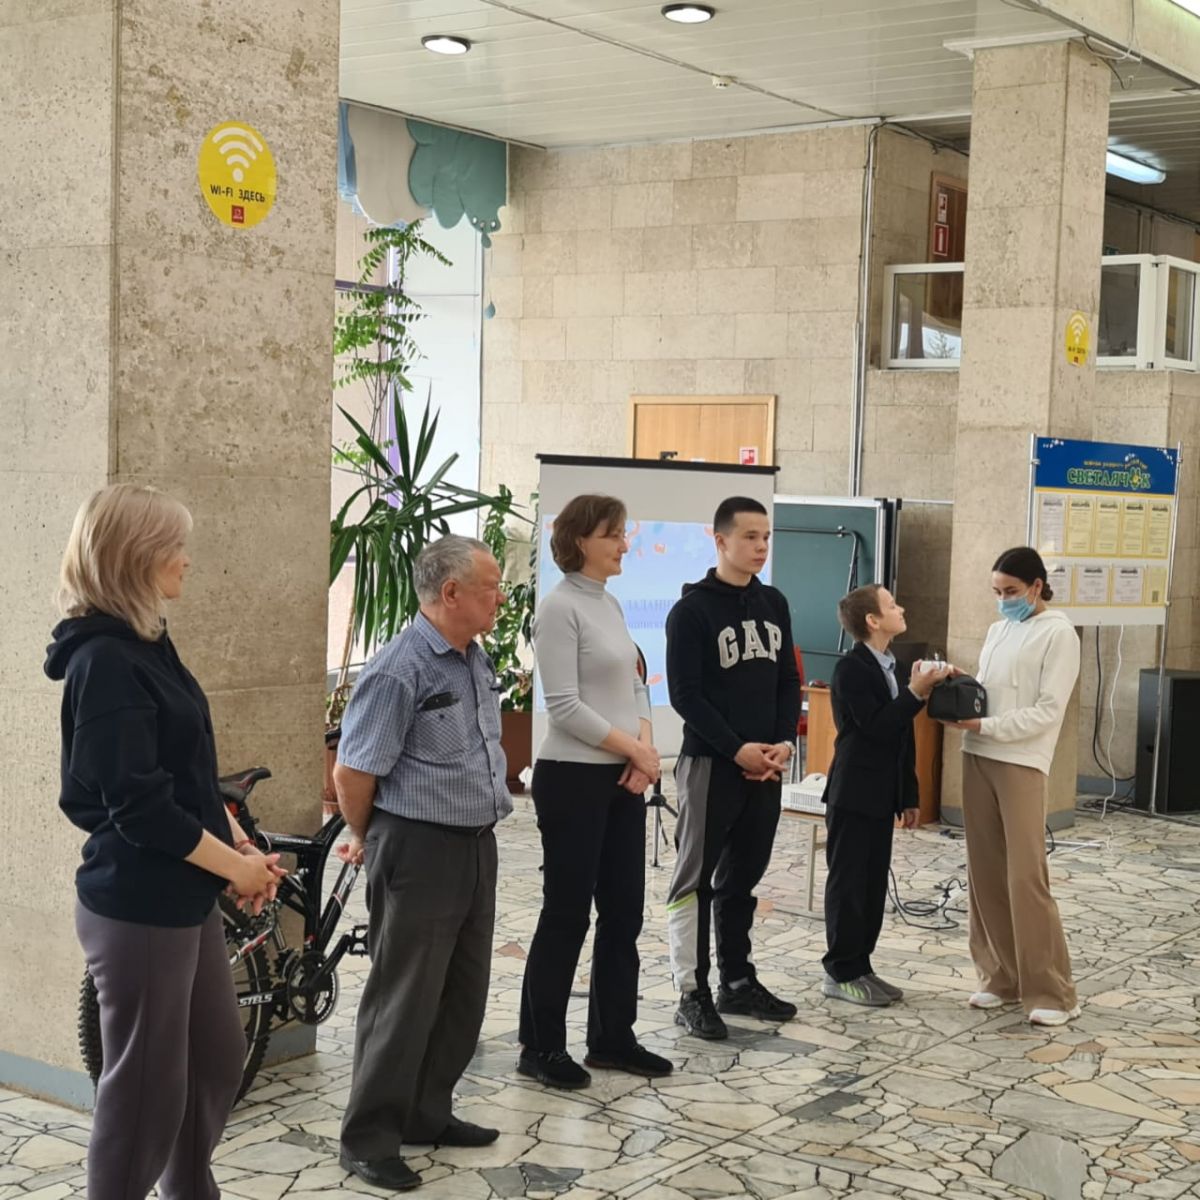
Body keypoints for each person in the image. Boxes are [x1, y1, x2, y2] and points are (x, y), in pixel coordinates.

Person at [46, 482, 285, 1200]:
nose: (186, 559)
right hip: (140, 904)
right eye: (174, 546)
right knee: (145, 1096)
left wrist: (240, 846)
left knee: (214, 1061)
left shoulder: (147, 641)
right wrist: (234, 869)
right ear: (136, 557)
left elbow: (188, 774)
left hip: (181, 896)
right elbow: (143, 810)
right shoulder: (104, 662)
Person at [335, 535, 513, 1192]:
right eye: (491, 586)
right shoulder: (399, 668)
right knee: (404, 999)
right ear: (451, 593)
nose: (501, 597)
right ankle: (367, 1139)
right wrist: (372, 837)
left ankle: (425, 1112)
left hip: (475, 842)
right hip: (416, 847)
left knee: (462, 994)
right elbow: (353, 772)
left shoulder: (473, 657)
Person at [518, 494, 672, 1089]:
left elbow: (636, 686)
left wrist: (644, 750)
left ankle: (612, 1038)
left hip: (621, 774)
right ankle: (540, 1046)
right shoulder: (559, 608)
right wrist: (633, 750)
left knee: (624, 911)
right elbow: (563, 706)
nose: (625, 544)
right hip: (573, 777)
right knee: (566, 913)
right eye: (614, 535)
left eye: (624, 534)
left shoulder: (609, 603)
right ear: (581, 540)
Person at [665, 496, 801, 1040]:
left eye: (766, 536)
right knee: (695, 881)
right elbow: (686, 695)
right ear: (720, 541)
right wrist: (735, 748)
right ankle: (691, 992)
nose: (761, 546)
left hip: (765, 767)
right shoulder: (691, 611)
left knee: (742, 879)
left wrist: (783, 743)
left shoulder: (774, 602)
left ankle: (738, 982)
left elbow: (788, 680)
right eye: (749, 536)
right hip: (711, 764)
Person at [950, 546, 1081, 1027]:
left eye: (1010, 591)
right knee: (984, 872)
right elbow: (992, 691)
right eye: (997, 592)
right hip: (977, 754)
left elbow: (1048, 710)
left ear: (1036, 586)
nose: (1003, 600)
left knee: (1026, 876)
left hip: (1021, 760)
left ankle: (1053, 992)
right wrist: (960, 688)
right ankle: (999, 977)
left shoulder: (1059, 633)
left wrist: (987, 726)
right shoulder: (998, 630)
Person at [821, 585, 950, 1006]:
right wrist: (915, 693)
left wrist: (909, 794)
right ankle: (840, 971)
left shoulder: (894, 666)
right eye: (892, 605)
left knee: (873, 885)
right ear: (872, 620)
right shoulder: (851, 669)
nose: (901, 608)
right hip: (853, 793)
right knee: (849, 885)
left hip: (881, 794)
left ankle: (862, 965)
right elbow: (876, 726)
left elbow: (902, 737)